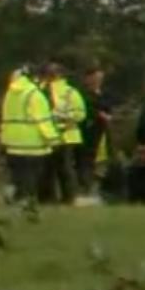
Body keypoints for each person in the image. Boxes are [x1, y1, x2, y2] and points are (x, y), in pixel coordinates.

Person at [0, 65, 59, 204]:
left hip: (11, 142)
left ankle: (11, 195)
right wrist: (54, 140)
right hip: (33, 144)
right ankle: (25, 200)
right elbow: (43, 121)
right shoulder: (34, 95)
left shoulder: (10, 93)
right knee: (31, 175)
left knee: (16, 174)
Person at [41, 61, 84, 205]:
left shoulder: (69, 91)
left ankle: (67, 198)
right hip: (47, 135)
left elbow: (80, 113)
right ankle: (49, 198)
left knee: (63, 169)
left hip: (66, 135)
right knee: (48, 169)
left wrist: (67, 118)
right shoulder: (40, 90)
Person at [75, 64, 111, 203]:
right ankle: (84, 187)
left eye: (100, 78)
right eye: (95, 78)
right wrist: (98, 114)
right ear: (88, 78)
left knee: (98, 161)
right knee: (84, 161)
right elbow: (85, 108)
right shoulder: (82, 93)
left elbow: (108, 106)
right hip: (86, 132)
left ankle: (95, 187)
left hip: (101, 133)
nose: (98, 81)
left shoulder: (102, 93)